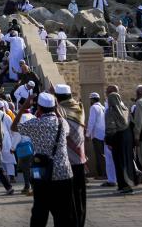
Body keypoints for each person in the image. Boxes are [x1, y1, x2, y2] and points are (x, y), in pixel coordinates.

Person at [13, 93, 76, 225]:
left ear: (39, 108)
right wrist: (56, 108)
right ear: (55, 107)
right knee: (64, 213)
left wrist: (23, 106)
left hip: (42, 174)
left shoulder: (35, 124)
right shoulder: (62, 123)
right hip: (63, 172)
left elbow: (14, 127)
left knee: (40, 212)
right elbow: (67, 131)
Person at [55, 84, 87, 227]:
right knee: (80, 195)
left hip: (68, 160)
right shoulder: (79, 108)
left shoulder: (62, 110)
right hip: (80, 157)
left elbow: (57, 114)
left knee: (70, 196)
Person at [105, 87, 135, 194]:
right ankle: (128, 184)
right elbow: (132, 124)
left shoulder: (111, 111)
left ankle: (123, 186)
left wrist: (109, 141)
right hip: (127, 140)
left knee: (119, 163)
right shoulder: (126, 109)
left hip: (117, 140)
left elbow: (111, 128)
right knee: (127, 162)